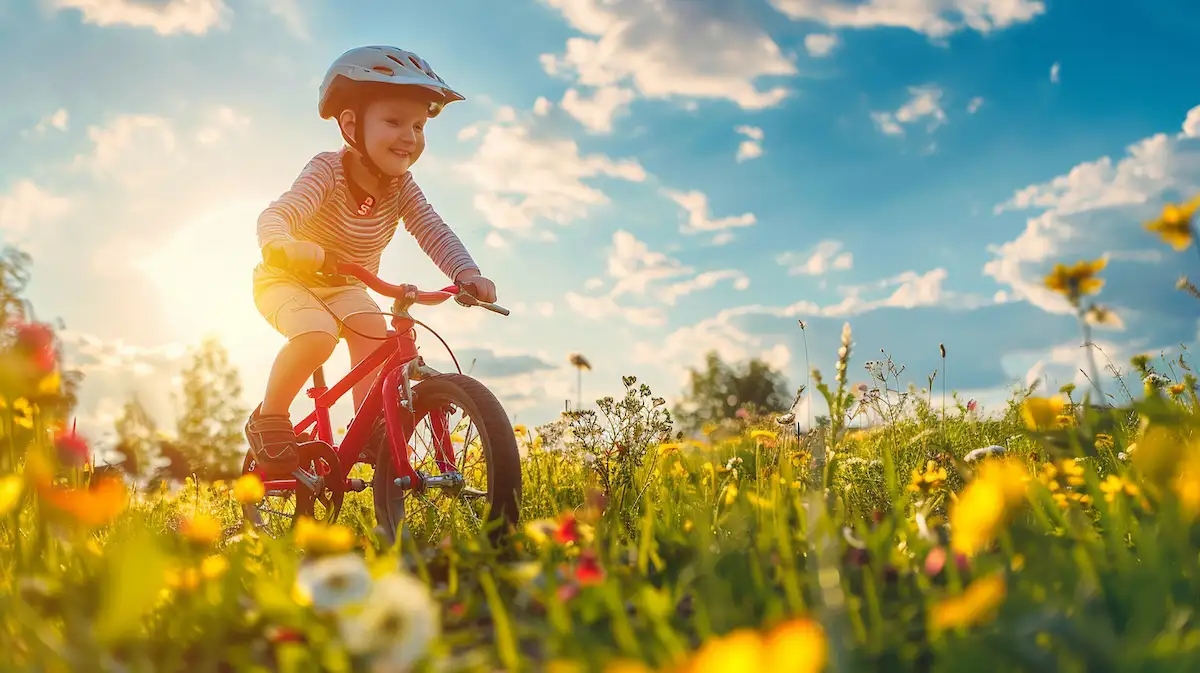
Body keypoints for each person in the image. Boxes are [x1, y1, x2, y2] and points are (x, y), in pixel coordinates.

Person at [245, 45, 497, 478]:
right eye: (394, 122)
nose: (409, 136)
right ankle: (270, 418)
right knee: (317, 336)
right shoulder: (328, 170)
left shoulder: (402, 187)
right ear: (350, 125)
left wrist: (466, 273)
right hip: (286, 279)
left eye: (418, 125)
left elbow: (432, 228)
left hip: (345, 286)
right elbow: (279, 213)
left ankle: (371, 428)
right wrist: (281, 241)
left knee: (376, 336)